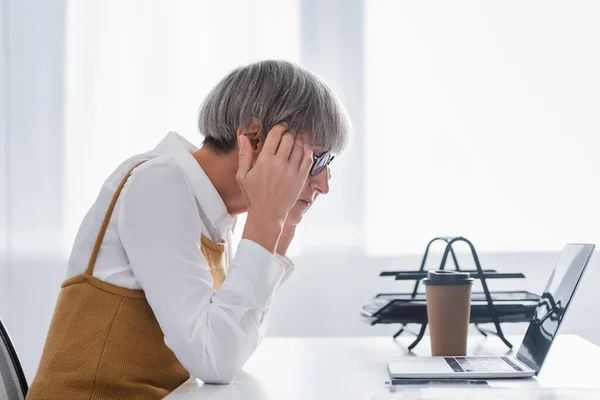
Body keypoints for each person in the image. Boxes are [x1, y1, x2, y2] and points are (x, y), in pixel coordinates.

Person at [27, 60, 351, 399]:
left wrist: (280, 229)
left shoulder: (215, 214)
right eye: (318, 159)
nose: (324, 184)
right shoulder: (158, 183)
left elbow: (234, 347)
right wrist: (267, 220)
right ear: (255, 138)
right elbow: (214, 360)